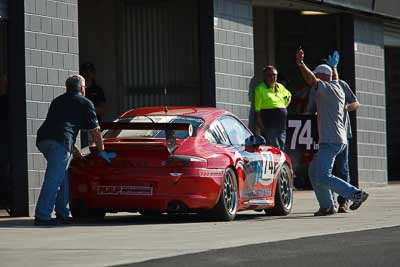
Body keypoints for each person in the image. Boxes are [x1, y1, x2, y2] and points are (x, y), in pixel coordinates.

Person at [34, 75, 116, 226]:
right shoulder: (86, 103)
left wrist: (72, 148)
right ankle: (42, 215)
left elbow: (59, 125)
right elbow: (95, 131)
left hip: (44, 140)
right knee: (54, 179)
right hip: (60, 143)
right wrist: (102, 151)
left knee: (62, 175)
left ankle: (63, 212)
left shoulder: (57, 101)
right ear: (82, 89)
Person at [296, 48, 368, 216]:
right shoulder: (337, 87)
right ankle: (327, 206)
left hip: (331, 141)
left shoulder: (326, 89)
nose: (314, 80)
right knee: (314, 171)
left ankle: (355, 194)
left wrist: (300, 64)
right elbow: (330, 77)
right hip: (336, 139)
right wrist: (334, 67)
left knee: (323, 175)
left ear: (322, 77)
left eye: (317, 75)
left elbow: (311, 79)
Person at [254, 65, 292, 150]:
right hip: (269, 127)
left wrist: (283, 106)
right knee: (274, 150)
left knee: (281, 150)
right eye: (269, 75)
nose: (272, 77)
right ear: (264, 76)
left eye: (274, 75)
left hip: (282, 127)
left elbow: (289, 95)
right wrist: (263, 129)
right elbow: (257, 111)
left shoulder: (280, 87)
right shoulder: (260, 89)